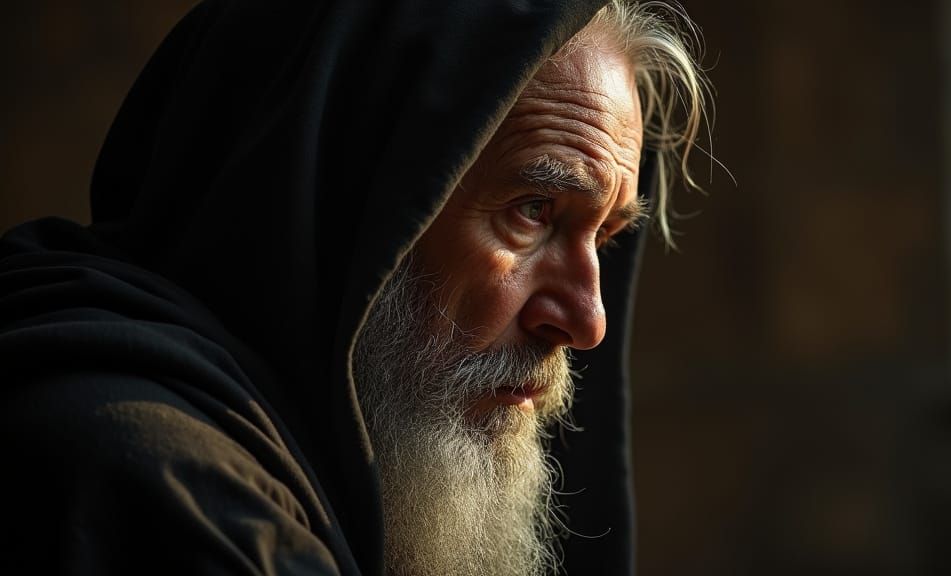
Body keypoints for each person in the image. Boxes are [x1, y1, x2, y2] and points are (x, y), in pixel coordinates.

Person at [0, 0, 705, 574]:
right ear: (333, 201)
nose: (587, 321)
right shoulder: (167, 492)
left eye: (603, 236)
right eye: (533, 211)